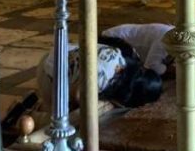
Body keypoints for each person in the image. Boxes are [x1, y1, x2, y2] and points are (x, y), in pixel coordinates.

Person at [35, 37, 163, 112]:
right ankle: (33, 113)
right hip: (49, 72)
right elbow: (78, 95)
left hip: (59, 53)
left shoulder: (122, 61)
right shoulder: (104, 77)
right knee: (66, 116)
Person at [102, 23, 175, 77]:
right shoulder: (167, 39)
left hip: (122, 44)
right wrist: (173, 71)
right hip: (111, 41)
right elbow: (152, 67)